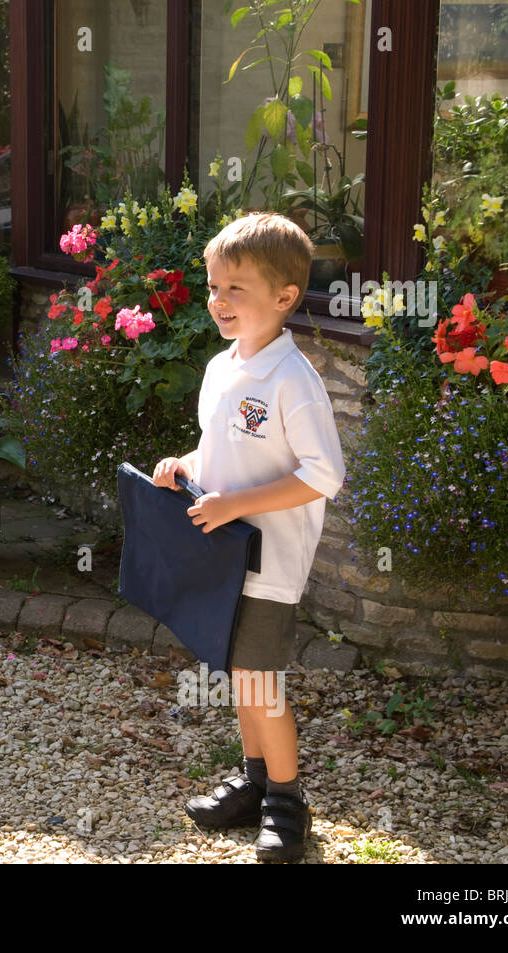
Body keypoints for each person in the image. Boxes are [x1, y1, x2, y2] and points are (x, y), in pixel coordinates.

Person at [151, 213, 345, 863]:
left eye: (236, 288)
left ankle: (288, 803)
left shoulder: (294, 382)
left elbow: (324, 475)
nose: (218, 299)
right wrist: (184, 466)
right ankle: (255, 779)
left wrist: (237, 501)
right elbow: (218, 453)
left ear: (285, 297)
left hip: (268, 564)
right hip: (223, 557)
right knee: (241, 676)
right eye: (213, 286)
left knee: (261, 682)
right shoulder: (221, 369)